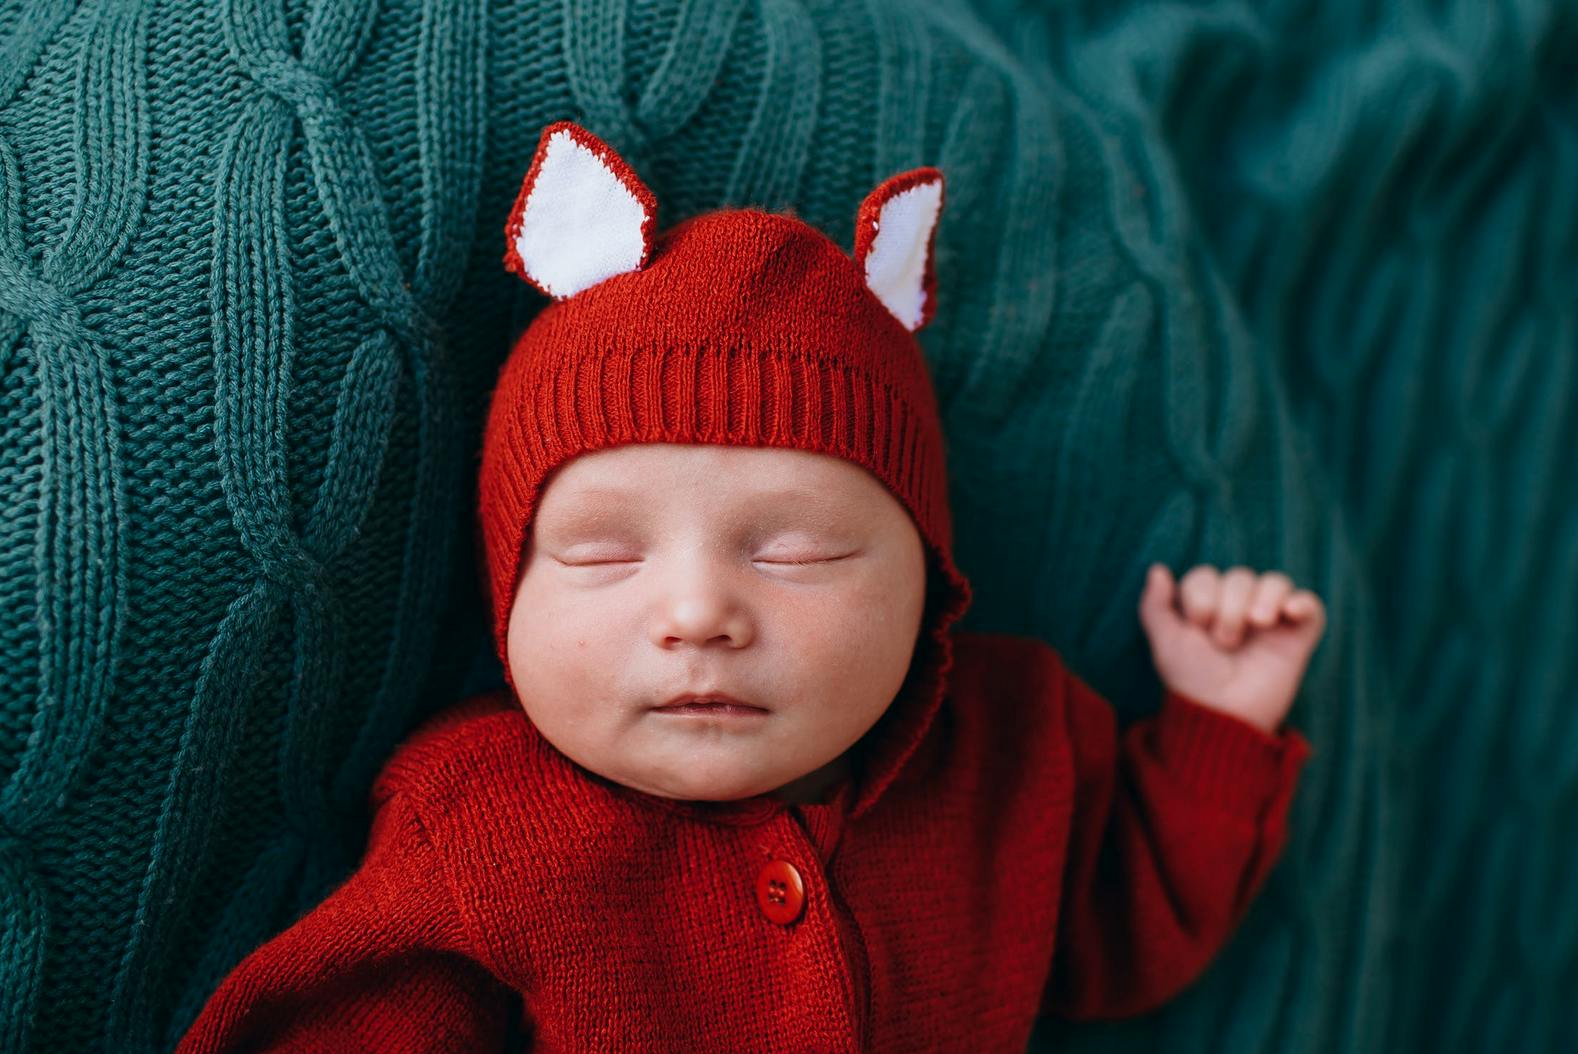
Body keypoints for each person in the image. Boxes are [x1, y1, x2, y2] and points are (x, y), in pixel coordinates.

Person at [176, 120, 1325, 1053]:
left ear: (931, 585)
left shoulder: (1011, 751)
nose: (697, 616)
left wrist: (1218, 723)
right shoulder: (479, 825)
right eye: (602, 554)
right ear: (507, 594)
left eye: (797, 552)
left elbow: (1123, 924)